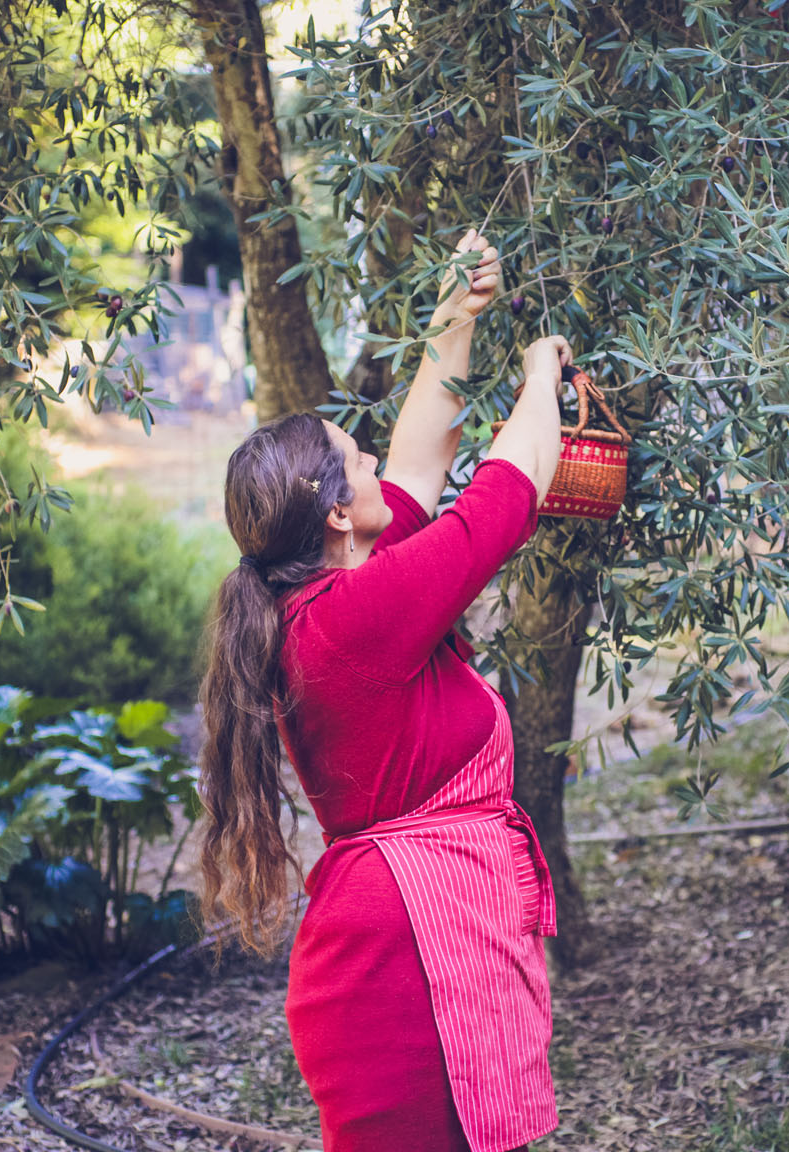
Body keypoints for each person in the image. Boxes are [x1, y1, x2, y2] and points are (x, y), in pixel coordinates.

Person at [198, 228, 570, 1152]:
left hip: (400, 935)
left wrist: (459, 317)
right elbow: (503, 497)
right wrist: (537, 379)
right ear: (333, 513)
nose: (370, 459)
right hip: (399, 956)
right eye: (349, 457)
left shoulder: (334, 594)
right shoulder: (351, 620)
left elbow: (416, 464)